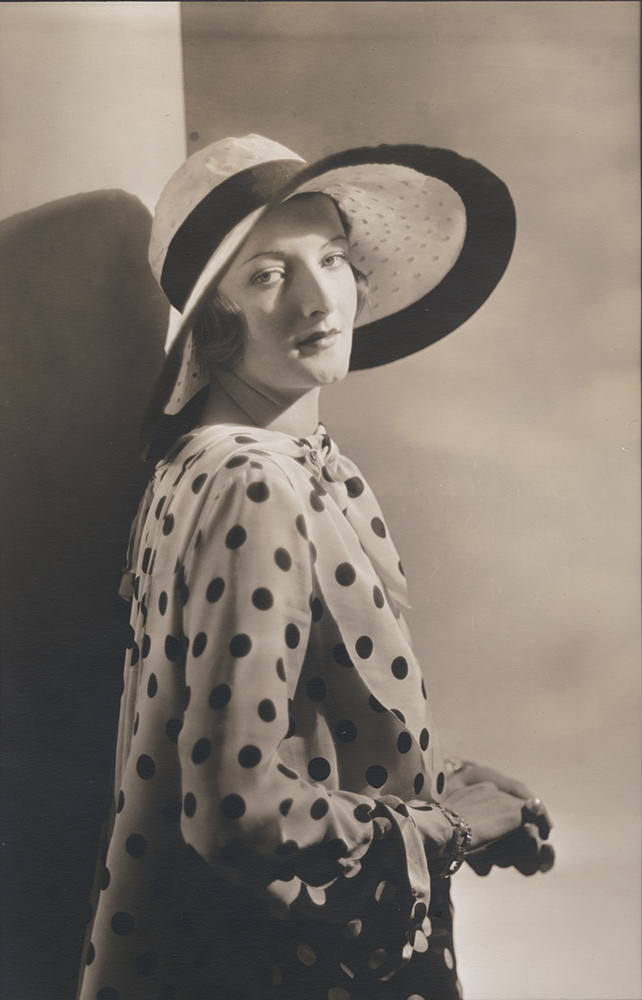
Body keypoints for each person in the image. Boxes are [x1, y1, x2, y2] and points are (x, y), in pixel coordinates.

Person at [78, 134, 554, 1000]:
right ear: (213, 325)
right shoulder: (251, 482)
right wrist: (444, 828)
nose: (316, 297)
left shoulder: (239, 461)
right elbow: (236, 808)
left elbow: (284, 731)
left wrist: (445, 780)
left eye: (330, 259)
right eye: (265, 275)